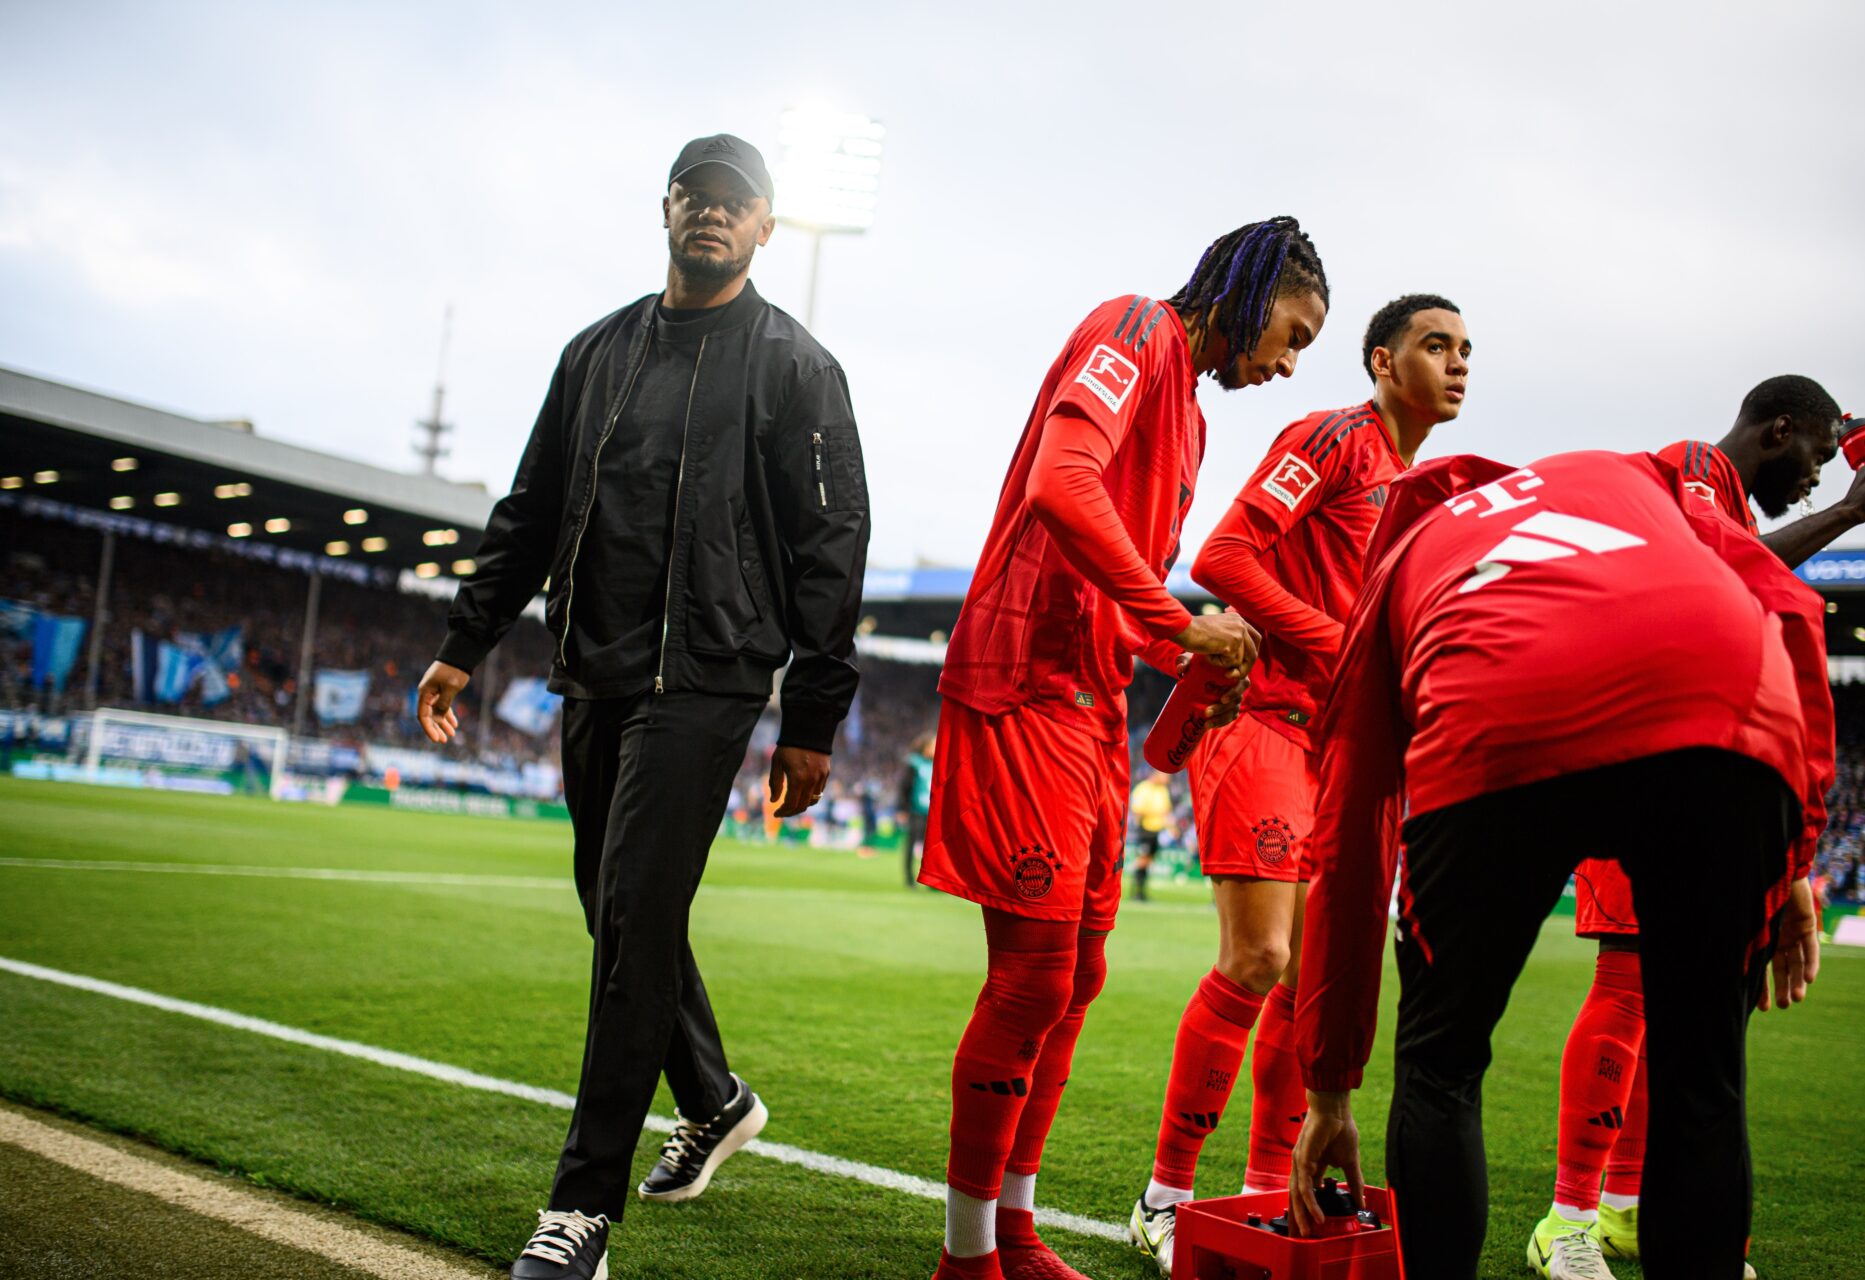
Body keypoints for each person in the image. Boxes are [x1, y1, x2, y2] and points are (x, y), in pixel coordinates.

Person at [413, 133, 870, 1280]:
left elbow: (831, 546)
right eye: (695, 197)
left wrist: (811, 713)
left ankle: (581, 1212)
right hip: (593, 667)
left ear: (765, 225)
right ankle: (714, 1096)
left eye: (737, 203)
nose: (712, 215)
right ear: (666, 208)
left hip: (710, 674)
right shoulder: (595, 353)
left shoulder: (797, 366)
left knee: (630, 920)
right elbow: (529, 507)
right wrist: (466, 640)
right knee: (618, 914)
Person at [1287, 449, 1833, 1280]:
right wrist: (1797, 853)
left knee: (1441, 1067)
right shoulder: (1631, 477)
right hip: (1723, 694)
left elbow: (1349, 833)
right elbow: (1788, 601)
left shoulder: (1402, 555)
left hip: (1499, 705)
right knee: (1704, 1084)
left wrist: (1328, 1086)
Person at [918, 216, 1330, 1280]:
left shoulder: (1188, 417)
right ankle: (966, 1260)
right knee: (1032, 977)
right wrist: (1184, 617)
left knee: (1081, 974)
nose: (1286, 365)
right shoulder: (1135, 326)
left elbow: (1131, 590)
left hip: (1092, 699)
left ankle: (1011, 1225)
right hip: (1024, 680)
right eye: (1291, 332)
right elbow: (1063, 482)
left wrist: (1181, 635)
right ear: (1248, 290)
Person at [1527, 374, 1865, 1279]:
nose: (1819, 481)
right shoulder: (1698, 467)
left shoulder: (1733, 503)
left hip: (1696, 751)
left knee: (1682, 1002)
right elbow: (1719, 571)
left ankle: (1628, 1206)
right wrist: (1856, 512)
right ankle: (1568, 1218)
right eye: (1819, 460)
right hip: (1635, 735)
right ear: (1779, 430)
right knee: (1627, 986)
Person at [1127, 294, 1468, 1272]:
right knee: (1260, 957)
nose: (1455, 364)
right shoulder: (1332, 439)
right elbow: (1225, 553)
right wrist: (1344, 644)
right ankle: (1165, 1195)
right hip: (1264, 721)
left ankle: (1274, 1187)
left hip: (1348, 752)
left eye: (1465, 351)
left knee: (1312, 991)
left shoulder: (1427, 491)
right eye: (1434, 345)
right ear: (1379, 360)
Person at [1127, 770, 1173, 901]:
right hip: (1145, 831)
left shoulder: (1163, 790)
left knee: (1148, 862)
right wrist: (1155, 813)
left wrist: (1171, 827)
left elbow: (1166, 811)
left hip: (1156, 831)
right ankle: (1135, 892)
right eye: (1166, 776)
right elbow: (1137, 811)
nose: (1167, 779)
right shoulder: (1143, 789)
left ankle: (1141, 892)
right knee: (1142, 861)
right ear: (1157, 775)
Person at [899, 733, 935, 885]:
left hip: (932, 813)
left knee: (932, 848)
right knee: (911, 844)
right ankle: (909, 878)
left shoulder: (938, 763)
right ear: (926, 748)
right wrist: (903, 809)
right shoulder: (914, 763)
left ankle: (932, 881)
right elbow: (904, 787)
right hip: (916, 811)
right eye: (933, 745)